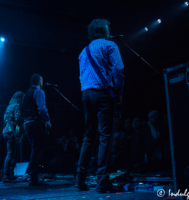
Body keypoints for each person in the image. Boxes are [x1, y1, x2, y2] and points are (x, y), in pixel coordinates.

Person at [75, 18, 124, 193]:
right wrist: (119, 92)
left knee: (89, 136)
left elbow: (81, 76)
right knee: (105, 136)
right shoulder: (110, 45)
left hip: (86, 94)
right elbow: (118, 70)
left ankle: (80, 179)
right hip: (103, 94)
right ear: (105, 30)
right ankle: (102, 180)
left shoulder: (83, 51)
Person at [22, 74, 51, 186]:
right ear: (39, 81)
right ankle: (33, 178)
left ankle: (33, 176)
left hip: (28, 124)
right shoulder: (39, 92)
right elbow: (41, 108)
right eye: (42, 81)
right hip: (36, 123)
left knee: (35, 150)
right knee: (37, 150)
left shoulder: (25, 94)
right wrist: (48, 121)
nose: (42, 83)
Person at [2, 91, 24, 183]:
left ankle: (9, 175)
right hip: (12, 132)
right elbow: (18, 119)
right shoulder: (17, 106)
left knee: (11, 154)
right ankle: (7, 175)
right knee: (11, 154)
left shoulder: (8, 107)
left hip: (6, 131)